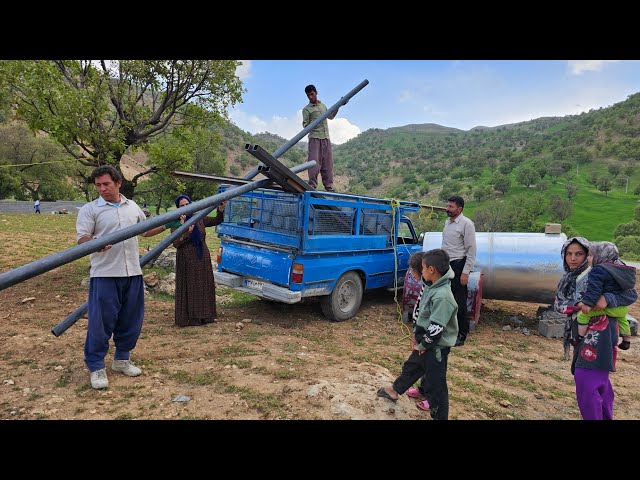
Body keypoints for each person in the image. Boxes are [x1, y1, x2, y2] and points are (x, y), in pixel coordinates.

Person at [76, 165, 163, 390]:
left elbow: (145, 230)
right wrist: (95, 243)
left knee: (131, 320)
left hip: (132, 271)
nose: (102, 189)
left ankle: (122, 359)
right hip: (105, 274)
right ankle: (96, 367)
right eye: (98, 185)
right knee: (100, 323)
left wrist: (169, 224)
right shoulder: (90, 209)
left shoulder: (132, 207)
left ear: (118, 183)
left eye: (106, 184)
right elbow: (82, 239)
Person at [377, 249, 458, 420]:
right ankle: (394, 390)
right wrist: (417, 335)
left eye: (422, 268)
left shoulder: (443, 296)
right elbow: (422, 314)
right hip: (426, 340)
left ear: (431, 270)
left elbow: (437, 328)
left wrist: (424, 345)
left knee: (436, 386)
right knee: (412, 366)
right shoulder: (431, 285)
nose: (420, 272)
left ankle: (440, 417)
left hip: (435, 347)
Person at [170, 195, 227, 327]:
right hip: (187, 259)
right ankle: (192, 318)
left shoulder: (199, 218)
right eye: (182, 206)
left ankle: (206, 316)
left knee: (204, 286)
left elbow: (217, 220)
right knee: (191, 288)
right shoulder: (176, 222)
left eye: (187, 204)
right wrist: (186, 233)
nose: (185, 207)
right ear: (178, 208)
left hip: (202, 257)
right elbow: (176, 243)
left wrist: (220, 209)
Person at [577, 241, 637, 351]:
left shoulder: (598, 270)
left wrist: (587, 304)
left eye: (590, 255)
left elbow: (594, 289)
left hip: (609, 308)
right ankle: (626, 340)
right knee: (622, 320)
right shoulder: (619, 270)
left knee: (582, 316)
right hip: (622, 309)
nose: (587, 258)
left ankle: (580, 338)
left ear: (601, 256)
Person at [441, 195, 476, 346]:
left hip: (458, 265)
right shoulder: (447, 222)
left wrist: (465, 272)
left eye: (451, 207)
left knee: (459, 301)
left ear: (459, 209)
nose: (447, 209)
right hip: (446, 265)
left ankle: (461, 334)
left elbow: (471, 250)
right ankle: (448, 330)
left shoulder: (467, 224)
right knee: (446, 299)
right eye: (448, 206)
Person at [302, 84, 338, 192]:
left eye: (312, 94)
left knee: (327, 163)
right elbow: (305, 125)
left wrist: (338, 106)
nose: (311, 97)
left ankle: (329, 187)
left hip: (326, 138)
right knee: (314, 162)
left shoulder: (323, 106)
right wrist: (314, 123)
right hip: (315, 138)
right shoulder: (306, 109)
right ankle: (312, 185)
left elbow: (331, 116)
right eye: (308, 96)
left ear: (316, 93)